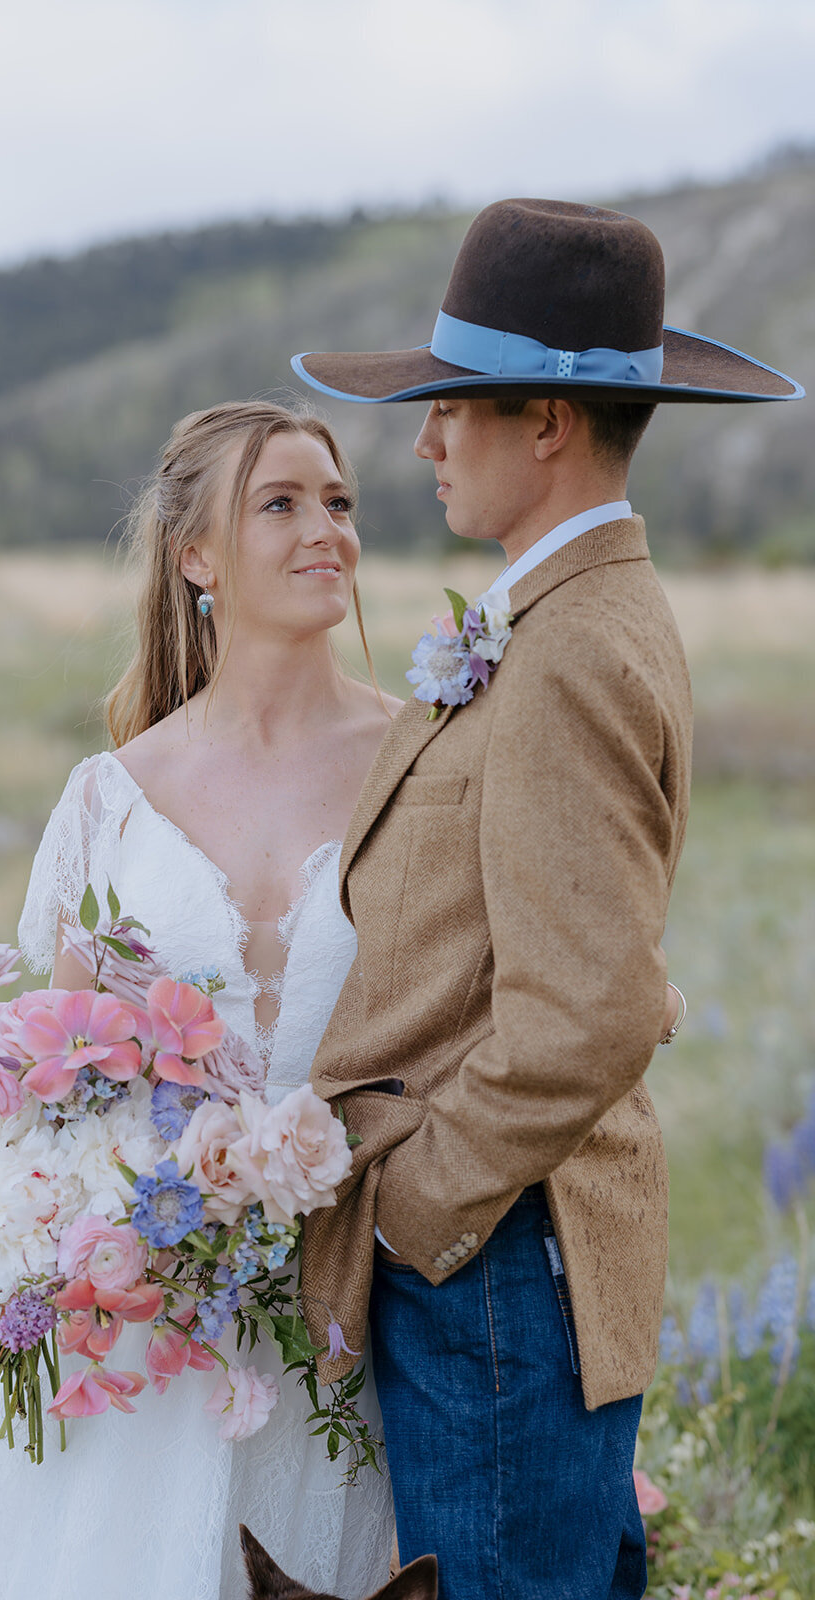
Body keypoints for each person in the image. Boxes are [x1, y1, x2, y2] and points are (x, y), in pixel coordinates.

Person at [290, 197, 804, 1600]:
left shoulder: (572, 644)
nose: (423, 439)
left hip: (502, 1265)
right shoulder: (557, 612)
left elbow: (590, 1009)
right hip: (509, 1263)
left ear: (548, 426)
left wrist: (415, 1216)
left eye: (452, 409)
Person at [0, 400, 400, 1600]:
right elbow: (57, 1077)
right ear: (196, 557)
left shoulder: (422, 763)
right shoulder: (109, 798)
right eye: (280, 504)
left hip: (354, 1306)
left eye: (336, 502)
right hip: (142, 1327)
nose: (324, 531)